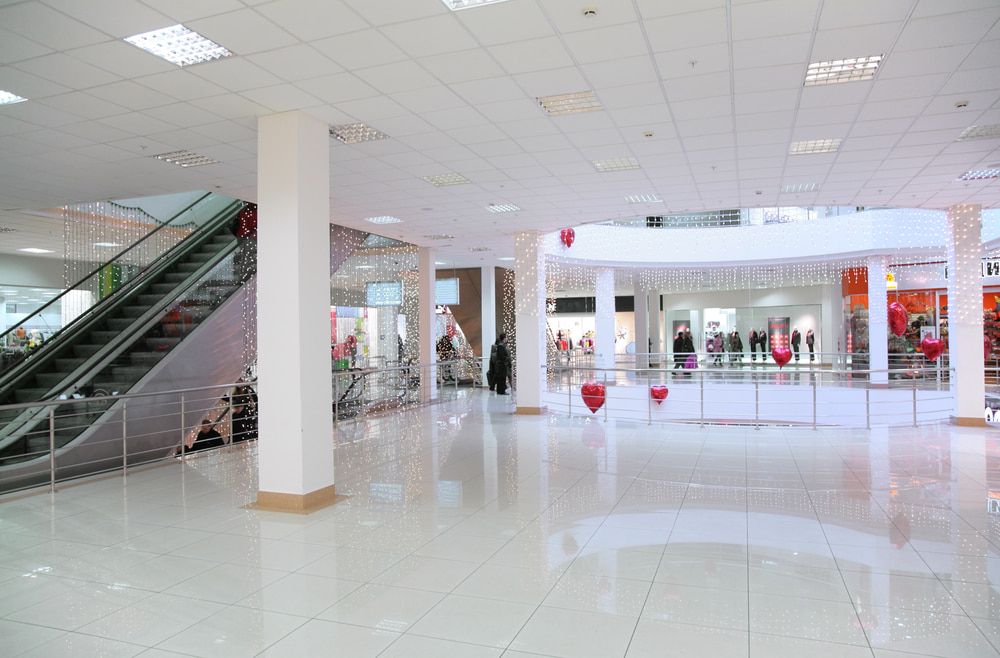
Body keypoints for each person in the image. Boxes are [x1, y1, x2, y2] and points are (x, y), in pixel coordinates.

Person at [231, 202, 257, 281]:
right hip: (250, 237)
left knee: (245, 257)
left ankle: (243, 276)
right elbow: (254, 226)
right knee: (248, 257)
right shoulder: (255, 212)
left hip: (241, 236)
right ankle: (244, 277)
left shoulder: (243, 211)